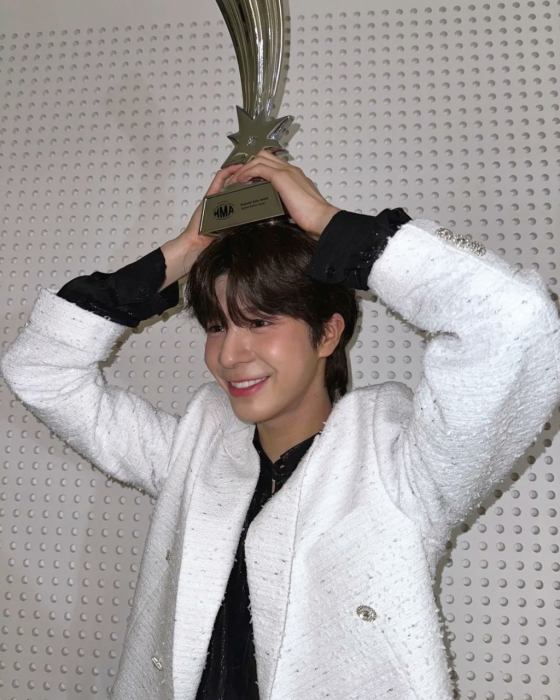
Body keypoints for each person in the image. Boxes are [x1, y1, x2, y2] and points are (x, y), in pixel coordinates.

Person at [1, 151, 559, 700]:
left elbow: (515, 322)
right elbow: (40, 369)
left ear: (328, 334)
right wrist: (188, 248)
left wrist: (330, 225)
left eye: (261, 321)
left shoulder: (400, 468)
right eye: (216, 326)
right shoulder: (193, 451)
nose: (229, 355)